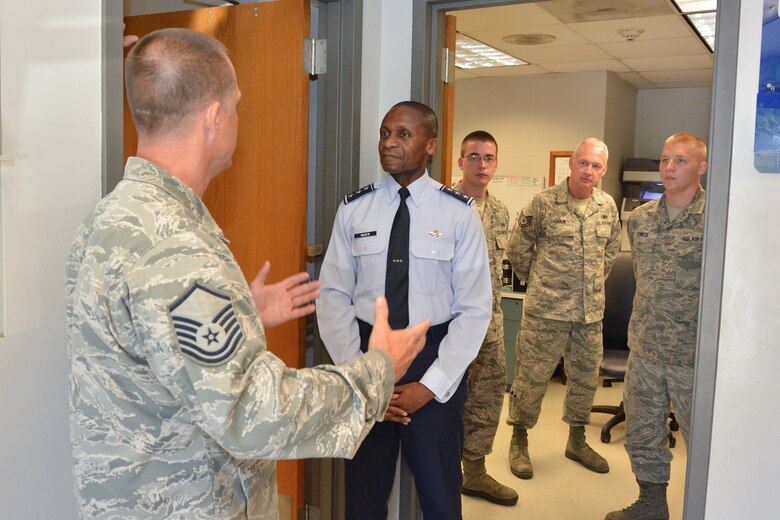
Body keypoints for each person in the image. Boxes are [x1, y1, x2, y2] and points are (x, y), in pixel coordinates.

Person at [65, 28, 431, 520]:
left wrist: (242, 312)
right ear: (215, 118)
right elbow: (252, 414)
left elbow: (151, 349)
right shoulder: (177, 248)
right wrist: (378, 369)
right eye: (236, 106)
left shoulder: (115, 216)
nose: (238, 117)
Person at [317, 101, 492, 519]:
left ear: (430, 145)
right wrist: (361, 375)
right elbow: (333, 296)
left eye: (403, 135)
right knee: (363, 493)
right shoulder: (354, 208)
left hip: (432, 359)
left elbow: (474, 309)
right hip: (367, 356)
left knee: (439, 494)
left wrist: (430, 386)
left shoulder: (458, 214)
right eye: (384, 133)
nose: (389, 143)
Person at [605, 133, 707, 520]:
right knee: (643, 433)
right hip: (645, 349)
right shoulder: (641, 219)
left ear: (701, 167)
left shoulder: (716, 217)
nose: (669, 167)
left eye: (680, 160)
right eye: (665, 160)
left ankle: (709, 505)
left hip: (692, 355)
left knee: (705, 439)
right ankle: (651, 504)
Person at [506, 137, 621, 479]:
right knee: (531, 379)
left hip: (589, 315)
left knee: (585, 380)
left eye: (596, 166)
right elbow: (518, 250)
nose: (589, 171)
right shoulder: (543, 204)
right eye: (583, 163)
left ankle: (576, 440)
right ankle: (518, 440)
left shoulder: (607, 205)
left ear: (604, 170)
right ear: (571, 163)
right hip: (546, 313)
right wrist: (544, 284)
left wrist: (589, 286)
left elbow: (610, 252)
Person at [454, 131, 518, 506]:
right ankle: (442, 471)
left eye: (489, 158)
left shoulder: (500, 212)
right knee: (445, 401)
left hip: (490, 328)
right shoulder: (443, 206)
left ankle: (474, 474)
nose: (482, 165)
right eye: (474, 157)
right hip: (450, 328)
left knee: (486, 401)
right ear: (460, 162)